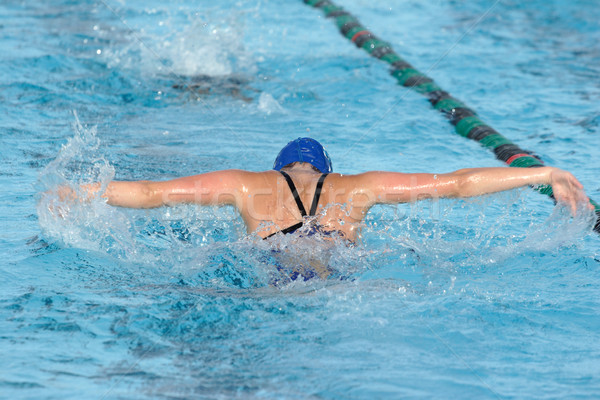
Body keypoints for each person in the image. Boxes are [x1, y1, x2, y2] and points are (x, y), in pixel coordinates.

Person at [75, 137, 591, 243]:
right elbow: (457, 184)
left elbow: (149, 193)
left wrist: (81, 192)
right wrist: (543, 174)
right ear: (325, 169)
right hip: (341, 278)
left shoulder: (244, 185)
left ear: (279, 167)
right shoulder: (358, 188)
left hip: (268, 270)